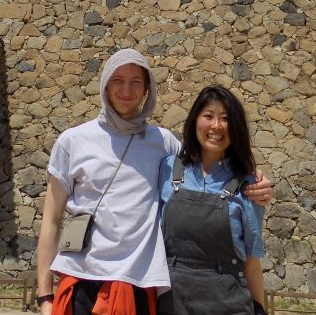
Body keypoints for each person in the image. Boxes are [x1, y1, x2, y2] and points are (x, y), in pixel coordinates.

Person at [36, 49, 272, 315]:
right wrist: (44, 295)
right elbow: (52, 219)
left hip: (137, 284)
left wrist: (254, 177)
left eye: (136, 81)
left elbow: (210, 157)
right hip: (81, 279)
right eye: (117, 79)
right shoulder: (73, 141)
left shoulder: (164, 144)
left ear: (148, 88)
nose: (126, 89)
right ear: (104, 83)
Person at [158, 86, 266, 315]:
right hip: (172, 303)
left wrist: (260, 309)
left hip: (229, 303)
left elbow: (252, 263)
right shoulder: (167, 168)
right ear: (195, 120)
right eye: (208, 116)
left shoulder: (249, 185)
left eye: (225, 119)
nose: (216, 126)